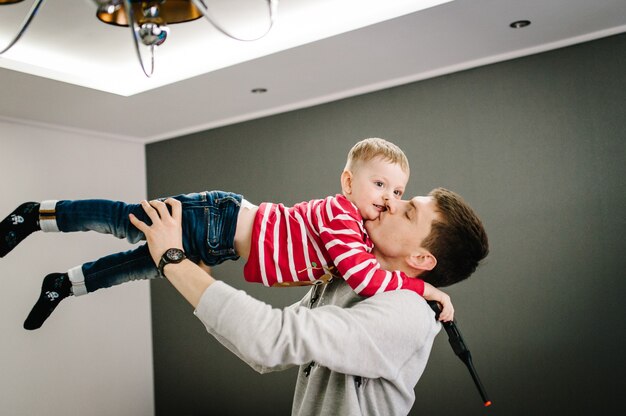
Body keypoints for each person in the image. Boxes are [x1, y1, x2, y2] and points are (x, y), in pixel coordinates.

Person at [0, 138, 454, 330]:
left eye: (398, 191)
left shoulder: (360, 235)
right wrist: (421, 287)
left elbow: (373, 266)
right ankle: (34, 216)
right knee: (127, 221)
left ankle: (64, 285)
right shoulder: (340, 217)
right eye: (379, 185)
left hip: (217, 245)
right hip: (216, 217)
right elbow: (364, 279)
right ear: (349, 183)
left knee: (142, 265)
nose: (389, 198)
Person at [129, 186, 489, 415]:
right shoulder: (348, 280)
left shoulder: (405, 313)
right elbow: (264, 355)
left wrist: (173, 261)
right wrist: (191, 267)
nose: (391, 202)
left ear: (422, 260)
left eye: (408, 211)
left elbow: (270, 339)